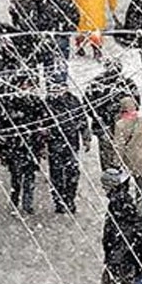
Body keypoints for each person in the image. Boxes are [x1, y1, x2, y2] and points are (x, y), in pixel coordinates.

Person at [0, 71, 47, 214]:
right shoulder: (9, 102)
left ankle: (27, 203)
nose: (27, 88)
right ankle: (15, 201)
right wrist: (0, 146)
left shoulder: (36, 102)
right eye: (24, 85)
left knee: (29, 176)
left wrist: (41, 140)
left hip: (31, 145)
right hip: (15, 146)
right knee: (16, 176)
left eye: (29, 85)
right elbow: (2, 125)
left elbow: (44, 121)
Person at [95, 168, 139, 284]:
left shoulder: (119, 202)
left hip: (120, 252)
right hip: (118, 250)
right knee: (110, 280)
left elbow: (125, 230)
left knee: (126, 281)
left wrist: (116, 253)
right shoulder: (119, 199)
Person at [84, 58, 141, 172]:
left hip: (115, 125)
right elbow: (88, 105)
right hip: (109, 125)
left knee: (111, 154)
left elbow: (135, 104)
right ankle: (114, 179)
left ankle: (114, 178)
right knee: (114, 153)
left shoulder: (125, 83)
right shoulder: (125, 83)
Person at [44, 78, 90, 213]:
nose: (57, 92)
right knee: (56, 173)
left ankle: (70, 199)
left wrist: (86, 138)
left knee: (72, 172)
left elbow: (82, 119)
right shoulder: (47, 103)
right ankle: (58, 201)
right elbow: (41, 124)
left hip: (71, 142)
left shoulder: (73, 101)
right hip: (54, 143)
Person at [38, 0, 81, 82]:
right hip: (62, 36)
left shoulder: (44, 1)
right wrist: (69, 28)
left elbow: (38, 19)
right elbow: (76, 15)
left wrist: (43, 29)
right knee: (62, 62)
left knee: (49, 64)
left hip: (48, 36)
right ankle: (61, 84)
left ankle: (50, 85)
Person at [112, 96, 142, 193]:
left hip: (128, 160)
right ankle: (141, 206)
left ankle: (126, 206)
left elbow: (119, 145)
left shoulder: (120, 124)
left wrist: (116, 162)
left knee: (123, 189)